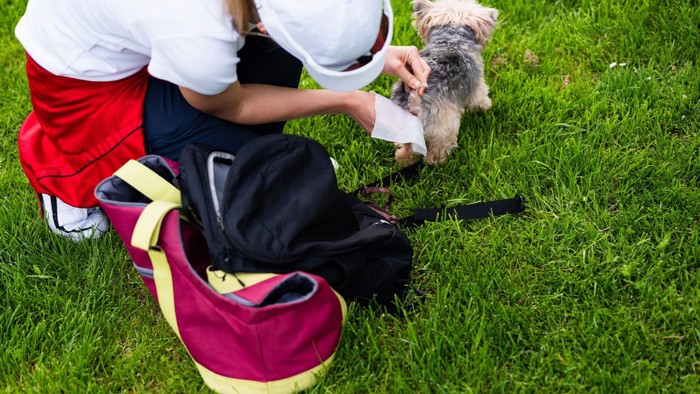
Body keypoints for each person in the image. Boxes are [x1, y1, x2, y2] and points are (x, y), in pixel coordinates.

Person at [14, 0, 430, 242]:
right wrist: (347, 99)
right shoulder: (197, 28)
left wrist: (373, 54)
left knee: (266, 68)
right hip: (84, 94)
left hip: (124, 43)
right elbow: (230, 105)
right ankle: (67, 187)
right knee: (216, 147)